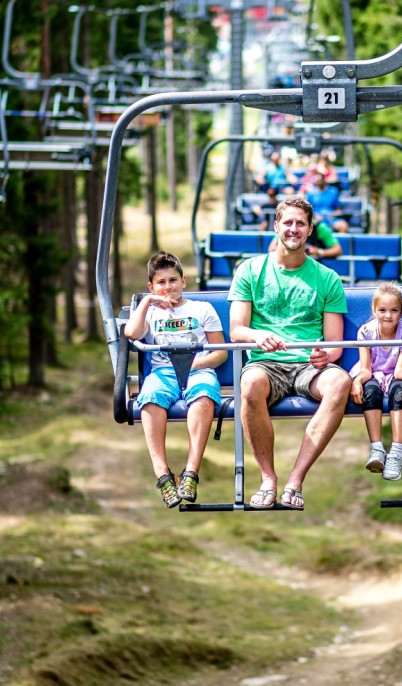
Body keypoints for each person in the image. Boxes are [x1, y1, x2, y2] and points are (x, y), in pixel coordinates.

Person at [228, 196, 351, 509]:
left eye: (300, 224)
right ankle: (268, 478)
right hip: (267, 364)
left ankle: (296, 479)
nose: (293, 229)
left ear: (310, 230)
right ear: (276, 227)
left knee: (339, 383)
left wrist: (327, 355)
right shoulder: (250, 271)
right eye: (288, 222)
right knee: (250, 384)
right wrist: (258, 336)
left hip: (308, 365)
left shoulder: (327, 279)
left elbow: (335, 341)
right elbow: (237, 331)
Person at [124, 251, 228, 508]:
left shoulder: (202, 309)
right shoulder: (149, 313)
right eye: (160, 282)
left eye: (172, 280)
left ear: (184, 281)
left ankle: (190, 472)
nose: (167, 287)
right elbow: (131, 333)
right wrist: (147, 303)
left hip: (198, 370)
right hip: (163, 373)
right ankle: (162, 474)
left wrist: (194, 364)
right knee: (149, 400)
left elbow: (221, 352)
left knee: (203, 398)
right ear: (151, 287)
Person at [349, 283, 402, 481]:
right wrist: (357, 381)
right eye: (382, 310)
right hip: (372, 373)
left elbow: (399, 370)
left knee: (399, 392)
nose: (388, 316)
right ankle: (377, 448)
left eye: (394, 310)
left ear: (401, 312)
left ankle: (397, 451)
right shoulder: (366, 332)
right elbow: (366, 369)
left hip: (393, 376)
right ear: (374, 311)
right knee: (370, 391)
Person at [266, 212, 343, 259]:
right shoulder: (285, 228)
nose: (294, 229)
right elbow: (272, 248)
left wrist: (318, 252)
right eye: (290, 223)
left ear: (310, 228)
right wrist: (293, 252)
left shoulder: (320, 227)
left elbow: (337, 250)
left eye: (301, 223)